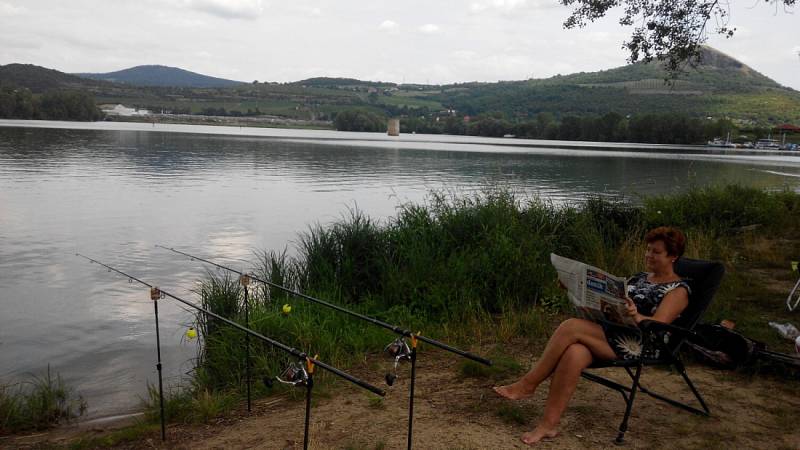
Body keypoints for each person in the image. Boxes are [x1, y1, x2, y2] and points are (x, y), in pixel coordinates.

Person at [493, 226, 691, 445]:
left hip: (643, 343)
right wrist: (574, 289)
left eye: (656, 252)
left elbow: (660, 324)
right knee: (575, 352)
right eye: (648, 250)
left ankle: (528, 384)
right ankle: (548, 426)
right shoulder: (640, 278)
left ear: (673, 256)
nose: (648, 255)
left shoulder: (678, 290)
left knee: (571, 327)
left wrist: (637, 315)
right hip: (613, 333)